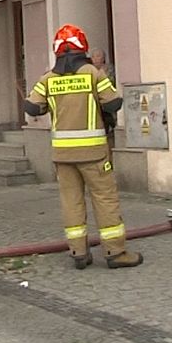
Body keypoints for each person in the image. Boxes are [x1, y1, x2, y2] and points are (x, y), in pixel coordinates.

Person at [25, 24, 142, 270]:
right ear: (83, 47)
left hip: (62, 155)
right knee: (105, 198)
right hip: (94, 154)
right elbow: (113, 104)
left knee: (71, 200)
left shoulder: (47, 79)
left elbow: (32, 107)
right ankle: (115, 252)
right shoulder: (93, 73)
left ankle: (78, 252)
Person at [89, 49, 117, 144]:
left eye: (98, 56)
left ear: (104, 58)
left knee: (110, 121)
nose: (96, 59)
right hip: (95, 104)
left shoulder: (108, 69)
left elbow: (110, 82)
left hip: (106, 102)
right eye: (93, 56)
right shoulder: (89, 70)